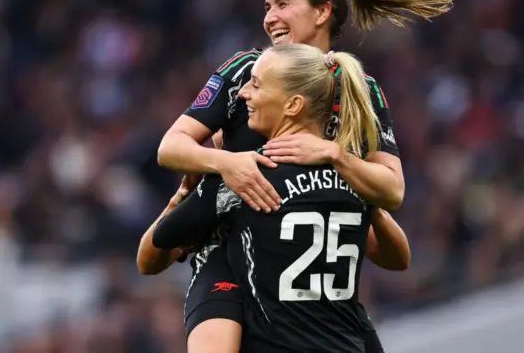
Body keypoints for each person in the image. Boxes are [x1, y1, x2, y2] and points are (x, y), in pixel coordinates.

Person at [153, 0, 453, 352]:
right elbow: (170, 148)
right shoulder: (244, 71)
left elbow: (391, 190)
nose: (270, 18)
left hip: (310, 278)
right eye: (266, 8)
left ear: (323, 11)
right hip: (230, 255)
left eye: (282, 4)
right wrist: (230, 164)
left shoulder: (358, 87)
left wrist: (334, 155)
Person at [154, 44, 406, 352]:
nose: (244, 93)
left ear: (293, 105)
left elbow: (164, 237)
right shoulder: (357, 177)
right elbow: (399, 258)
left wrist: (203, 179)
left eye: (256, 84)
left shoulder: (249, 174)